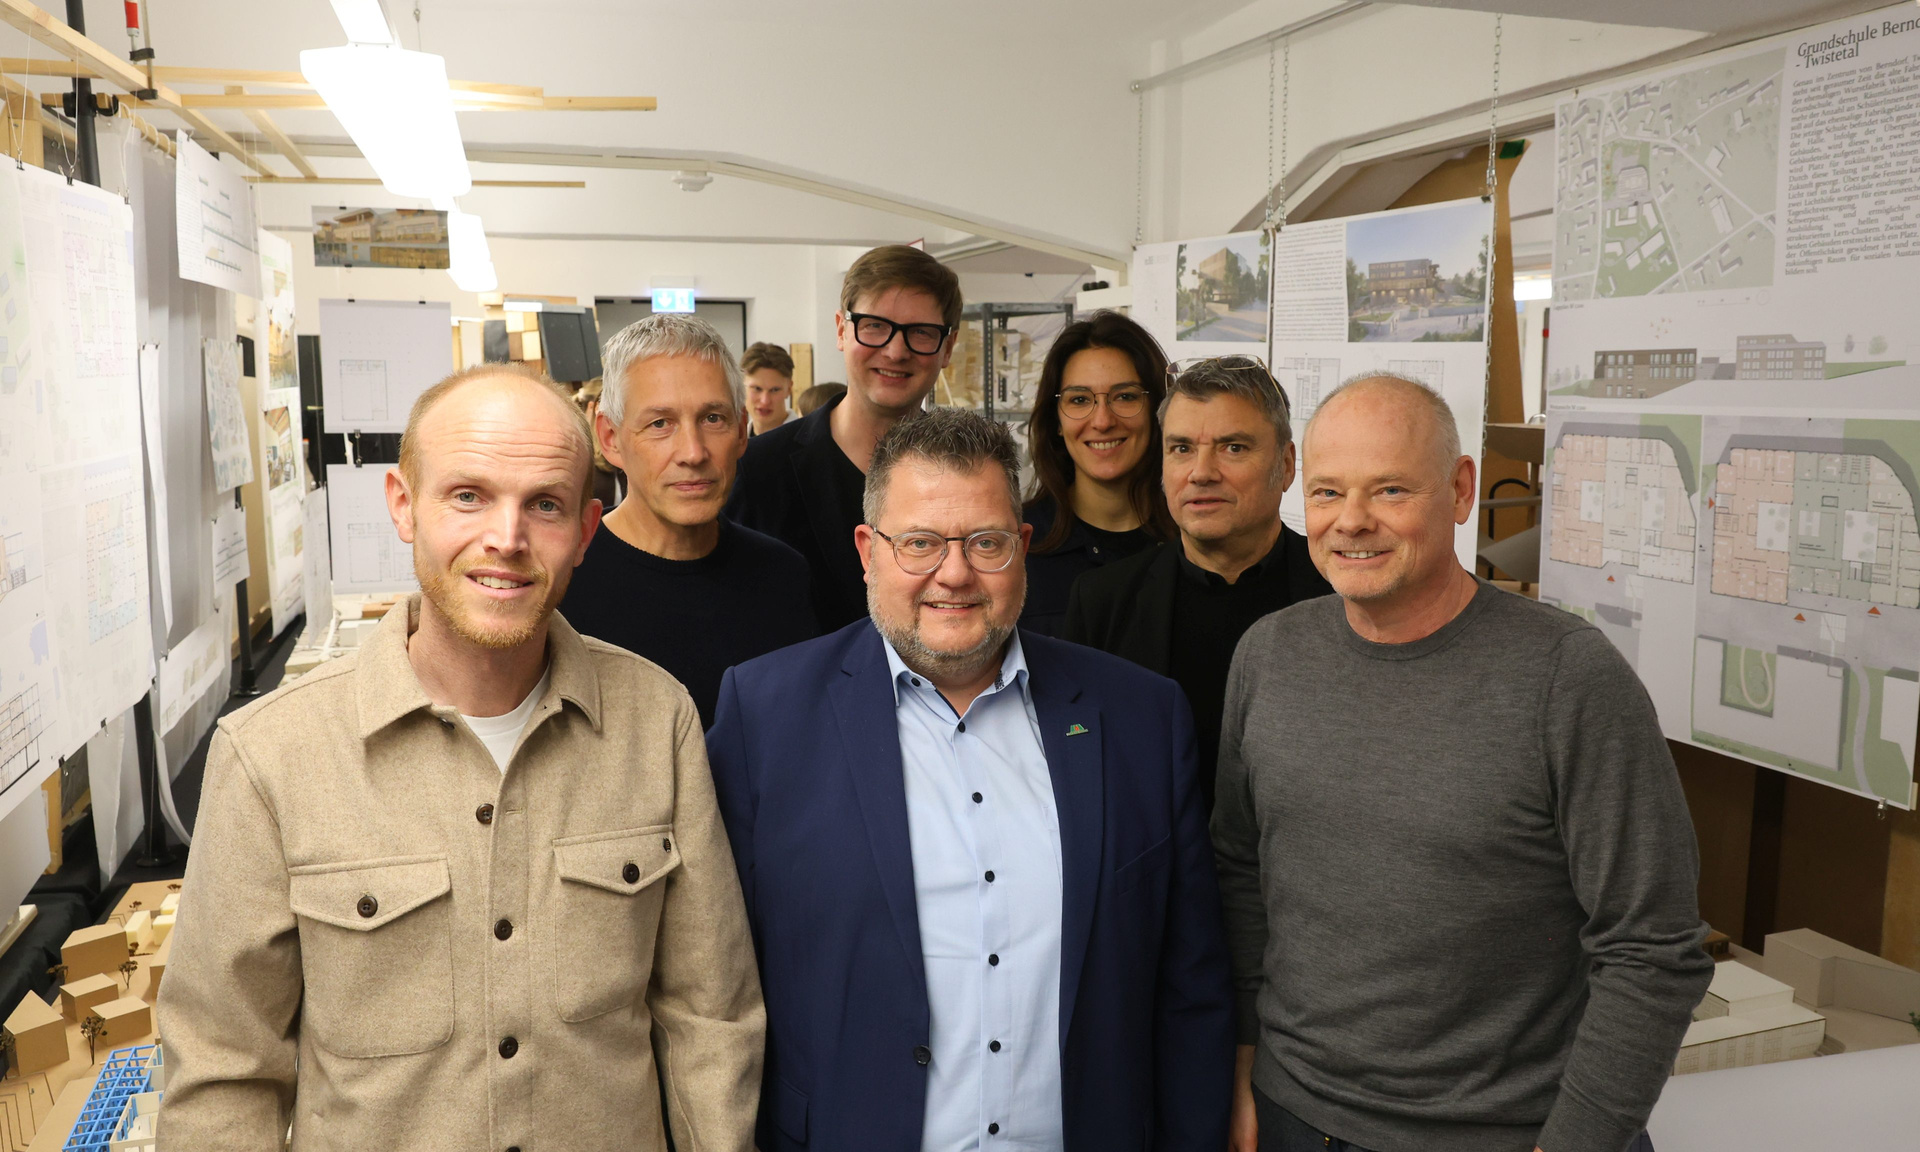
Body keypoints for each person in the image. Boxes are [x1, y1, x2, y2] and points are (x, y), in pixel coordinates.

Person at [158, 365, 765, 1152]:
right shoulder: (272, 757)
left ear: (585, 531)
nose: (506, 540)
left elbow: (708, 1018)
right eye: (468, 496)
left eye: (543, 505)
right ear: (404, 506)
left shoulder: (658, 722)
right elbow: (223, 1072)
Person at [706, 408, 1234, 1151]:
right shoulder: (764, 719)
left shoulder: (1142, 719)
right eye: (919, 543)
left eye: (984, 543)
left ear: (1020, 547)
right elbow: (715, 984)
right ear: (868, 551)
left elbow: (1191, 988)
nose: (953, 574)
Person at [1213, 374, 1711, 1152]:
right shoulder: (1268, 655)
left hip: (1501, 1132)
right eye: (1326, 491)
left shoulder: (1566, 677)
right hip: (1292, 1114)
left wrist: (1580, 1140)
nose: (1351, 521)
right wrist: (1244, 1064)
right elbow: (1241, 870)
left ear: (1460, 489)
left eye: (1389, 490)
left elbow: (1653, 943)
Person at [1064, 356, 1331, 808]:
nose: (1201, 472)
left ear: (1286, 466)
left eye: (1233, 447)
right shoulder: (1102, 601)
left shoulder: (1339, 593)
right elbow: (1077, 762)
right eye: (1182, 448)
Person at [561, 315, 817, 727]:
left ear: (741, 431)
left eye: (713, 419)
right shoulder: (560, 580)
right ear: (610, 438)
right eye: (660, 423)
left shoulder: (784, 577)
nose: (693, 452)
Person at [725, 245, 961, 629]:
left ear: (947, 347)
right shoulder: (757, 471)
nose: (895, 350)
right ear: (841, 330)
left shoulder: (963, 477)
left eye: (921, 332)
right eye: (875, 326)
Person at [1018, 310, 1174, 636]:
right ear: (1057, 422)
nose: (1102, 421)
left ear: (1157, 410)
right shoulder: (1017, 548)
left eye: (1125, 396)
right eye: (1079, 399)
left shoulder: (1193, 544)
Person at [742, 341, 797, 436]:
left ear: (789, 389)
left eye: (774, 390)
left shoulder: (812, 443)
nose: (765, 401)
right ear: (741, 388)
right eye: (757, 388)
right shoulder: (733, 445)